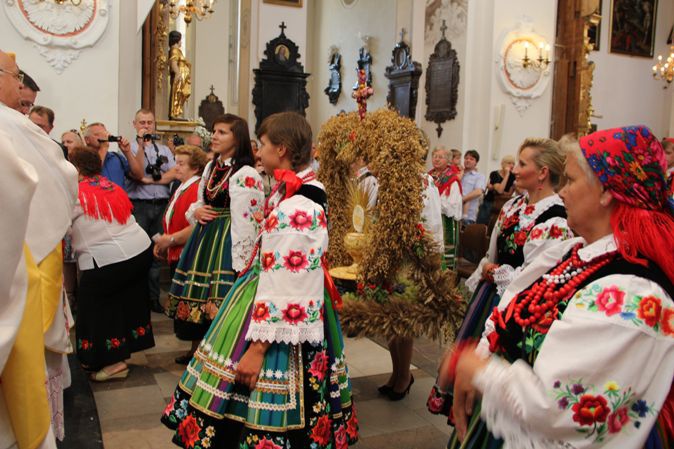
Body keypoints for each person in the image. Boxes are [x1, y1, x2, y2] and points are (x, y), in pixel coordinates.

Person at [446, 125, 674, 448]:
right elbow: (513, 302)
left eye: (570, 180)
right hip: (510, 412)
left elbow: (562, 407)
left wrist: (478, 370)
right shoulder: (574, 251)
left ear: (607, 191)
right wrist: (483, 353)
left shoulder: (633, 295)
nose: (562, 191)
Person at [161, 111, 358, 449]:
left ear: (281, 150)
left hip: (281, 313)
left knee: (264, 401)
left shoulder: (300, 205)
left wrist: (257, 348)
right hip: (265, 292)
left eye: (263, 145)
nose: (258, 151)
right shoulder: (292, 190)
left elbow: (290, 283)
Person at [427, 138, 573, 430]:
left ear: (542, 172)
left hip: (517, 306)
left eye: (522, 164)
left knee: (494, 371)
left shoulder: (554, 218)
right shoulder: (515, 205)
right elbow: (493, 250)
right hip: (489, 297)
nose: (514, 170)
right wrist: (487, 267)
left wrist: (496, 273)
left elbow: (537, 276)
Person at [0, 50, 78, 447]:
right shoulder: (11, 128)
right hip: (16, 273)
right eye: (15, 76)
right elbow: (61, 178)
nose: (19, 85)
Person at [165, 114, 263, 365]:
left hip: (228, 240)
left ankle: (222, 352)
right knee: (199, 297)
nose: (215, 136)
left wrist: (244, 262)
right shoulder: (210, 167)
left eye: (222, 132)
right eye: (214, 131)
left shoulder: (246, 172)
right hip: (205, 237)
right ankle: (197, 350)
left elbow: (249, 221)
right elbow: (199, 202)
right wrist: (195, 212)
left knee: (221, 297)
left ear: (237, 137)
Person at [68, 146, 155, 381]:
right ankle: (121, 352)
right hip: (139, 250)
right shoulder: (109, 184)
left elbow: (58, 225)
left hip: (111, 257)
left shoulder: (74, 193)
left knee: (92, 306)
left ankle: (112, 362)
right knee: (119, 301)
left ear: (75, 168)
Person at [153, 145, 208, 363]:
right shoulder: (184, 185)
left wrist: (171, 239)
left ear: (195, 168)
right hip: (177, 250)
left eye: (181, 163)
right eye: (176, 162)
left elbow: (194, 225)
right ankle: (194, 349)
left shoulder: (195, 189)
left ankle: (198, 350)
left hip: (188, 252)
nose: (176, 167)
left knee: (192, 306)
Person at [127, 108, 176, 313]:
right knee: (136, 253)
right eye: (142, 122)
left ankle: (153, 298)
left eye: (149, 122)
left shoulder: (163, 151)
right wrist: (140, 145)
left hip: (160, 205)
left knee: (157, 254)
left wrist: (151, 179)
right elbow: (135, 172)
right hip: (139, 205)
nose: (146, 126)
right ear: (134, 124)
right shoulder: (128, 148)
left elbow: (174, 172)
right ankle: (135, 300)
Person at [429, 146, 462, 269]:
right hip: (431, 220)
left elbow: (451, 207)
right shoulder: (429, 176)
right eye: (435, 156)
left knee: (444, 261)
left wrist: (432, 202)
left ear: (448, 160)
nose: (436, 159)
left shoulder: (452, 179)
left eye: (440, 157)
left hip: (445, 221)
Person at [84, 122, 145, 188]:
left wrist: (127, 152)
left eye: (104, 134)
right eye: (97, 134)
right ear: (87, 140)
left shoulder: (116, 157)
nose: (102, 137)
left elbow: (139, 175)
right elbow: (92, 175)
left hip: (119, 198)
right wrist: (104, 148)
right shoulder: (82, 158)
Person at [477, 155, 516, 225]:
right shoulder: (494, 174)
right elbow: (500, 190)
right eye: (509, 163)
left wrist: (496, 188)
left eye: (513, 164)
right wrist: (507, 175)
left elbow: (509, 194)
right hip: (489, 203)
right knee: (481, 225)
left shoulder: (513, 176)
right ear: (503, 164)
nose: (512, 165)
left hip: (502, 205)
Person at [168, 31, 192, 120]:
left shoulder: (177, 51)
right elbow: (173, 62)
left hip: (181, 77)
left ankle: (177, 113)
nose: (181, 42)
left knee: (180, 95)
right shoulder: (175, 50)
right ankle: (175, 113)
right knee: (177, 94)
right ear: (177, 40)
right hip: (179, 77)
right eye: (180, 40)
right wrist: (178, 74)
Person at [460, 150, 486, 226]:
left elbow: (478, 192)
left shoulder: (479, 176)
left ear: (476, 162)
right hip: (453, 213)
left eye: (471, 159)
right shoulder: (459, 174)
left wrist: (461, 200)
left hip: (468, 216)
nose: (468, 160)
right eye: (466, 158)